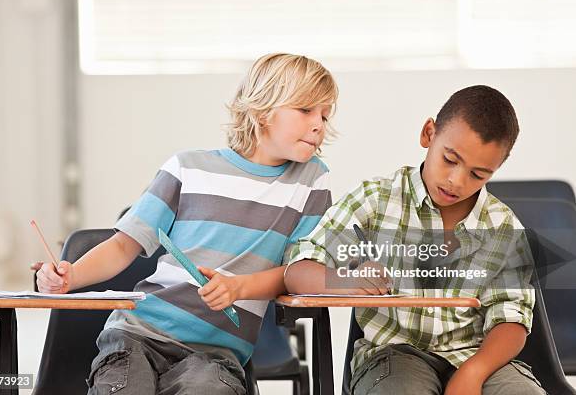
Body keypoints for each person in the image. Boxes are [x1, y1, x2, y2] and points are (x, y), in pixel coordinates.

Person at [33, 53, 337, 395]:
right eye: (306, 110)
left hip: (217, 355)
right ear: (263, 110)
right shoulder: (187, 168)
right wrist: (70, 276)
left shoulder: (311, 182)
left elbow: (296, 272)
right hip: (138, 336)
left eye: (325, 115)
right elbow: (123, 245)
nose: (319, 124)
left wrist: (238, 287)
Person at [285, 85, 545, 395]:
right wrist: (343, 279)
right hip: (394, 358)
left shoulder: (502, 225)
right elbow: (297, 270)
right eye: (450, 159)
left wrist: (474, 372)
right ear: (428, 134)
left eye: (478, 174)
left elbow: (512, 319)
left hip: (478, 357)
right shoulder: (375, 200)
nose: (456, 181)